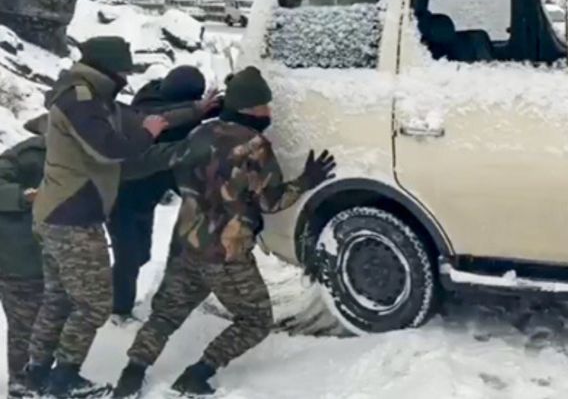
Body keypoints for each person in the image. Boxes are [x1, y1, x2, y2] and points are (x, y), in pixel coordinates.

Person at [112, 67, 336, 398]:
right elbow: (271, 201)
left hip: (186, 244)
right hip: (226, 254)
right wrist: (306, 181)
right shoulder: (255, 146)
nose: (268, 112)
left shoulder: (199, 133)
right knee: (256, 320)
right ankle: (198, 374)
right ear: (250, 108)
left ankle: (131, 375)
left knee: (165, 316)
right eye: (264, 106)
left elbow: (164, 162)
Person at [24, 36, 170, 398]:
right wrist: (149, 134)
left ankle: (36, 375)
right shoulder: (81, 98)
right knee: (93, 305)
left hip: (58, 212)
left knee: (58, 299)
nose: (126, 77)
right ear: (108, 68)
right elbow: (108, 149)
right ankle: (63, 380)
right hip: (72, 216)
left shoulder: (82, 92)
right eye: (123, 70)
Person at [109, 65, 222, 324]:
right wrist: (197, 109)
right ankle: (118, 311)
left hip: (145, 195)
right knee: (128, 258)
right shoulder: (147, 106)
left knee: (141, 255)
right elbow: (161, 116)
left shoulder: (179, 106)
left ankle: (107, 296)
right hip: (122, 193)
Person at [0, 116, 47, 398]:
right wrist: (25, 197)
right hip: (19, 258)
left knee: (48, 322)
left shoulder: (82, 155)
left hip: (53, 257)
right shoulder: (26, 155)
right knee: (24, 326)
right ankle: (20, 383)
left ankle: (39, 378)